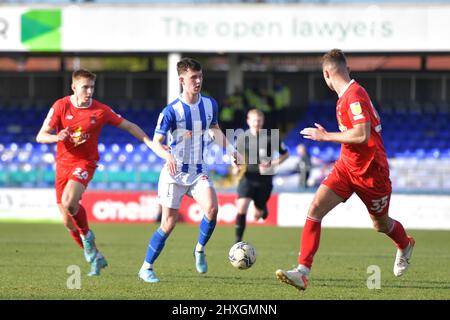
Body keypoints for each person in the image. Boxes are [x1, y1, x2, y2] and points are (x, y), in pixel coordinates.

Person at [275, 49, 415, 291]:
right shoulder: (346, 96)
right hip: (346, 167)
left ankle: (404, 243)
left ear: (327, 73)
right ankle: (302, 271)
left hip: (371, 171)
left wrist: (326, 136)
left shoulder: (354, 96)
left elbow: (362, 134)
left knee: (380, 225)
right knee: (315, 208)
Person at [36, 69, 155, 277]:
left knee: (69, 201)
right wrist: (58, 137)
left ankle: (88, 236)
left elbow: (128, 125)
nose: (89, 91)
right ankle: (96, 257)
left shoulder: (100, 110)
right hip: (62, 165)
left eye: (92, 87)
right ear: (74, 87)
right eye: (85, 87)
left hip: (85, 162)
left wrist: (149, 142)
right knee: (67, 220)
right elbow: (41, 136)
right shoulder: (61, 106)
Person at [138, 57, 240, 283]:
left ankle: (199, 249)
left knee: (212, 210)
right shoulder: (171, 111)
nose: (198, 81)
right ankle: (146, 267)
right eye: (193, 77)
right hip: (173, 174)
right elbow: (156, 142)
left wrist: (231, 150)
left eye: (200, 76)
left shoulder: (210, 104)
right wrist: (167, 155)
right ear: (181, 80)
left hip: (198, 171)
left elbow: (214, 131)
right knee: (168, 224)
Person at [233, 109, 289, 244]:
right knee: (242, 206)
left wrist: (273, 163)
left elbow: (285, 154)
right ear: (248, 121)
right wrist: (236, 166)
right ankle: (237, 242)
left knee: (259, 214)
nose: (257, 123)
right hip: (248, 177)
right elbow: (235, 156)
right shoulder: (242, 138)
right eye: (254, 120)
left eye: (259, 120)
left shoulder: (271, 137)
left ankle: (262, 208)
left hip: (265, 179)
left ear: (263, 121)